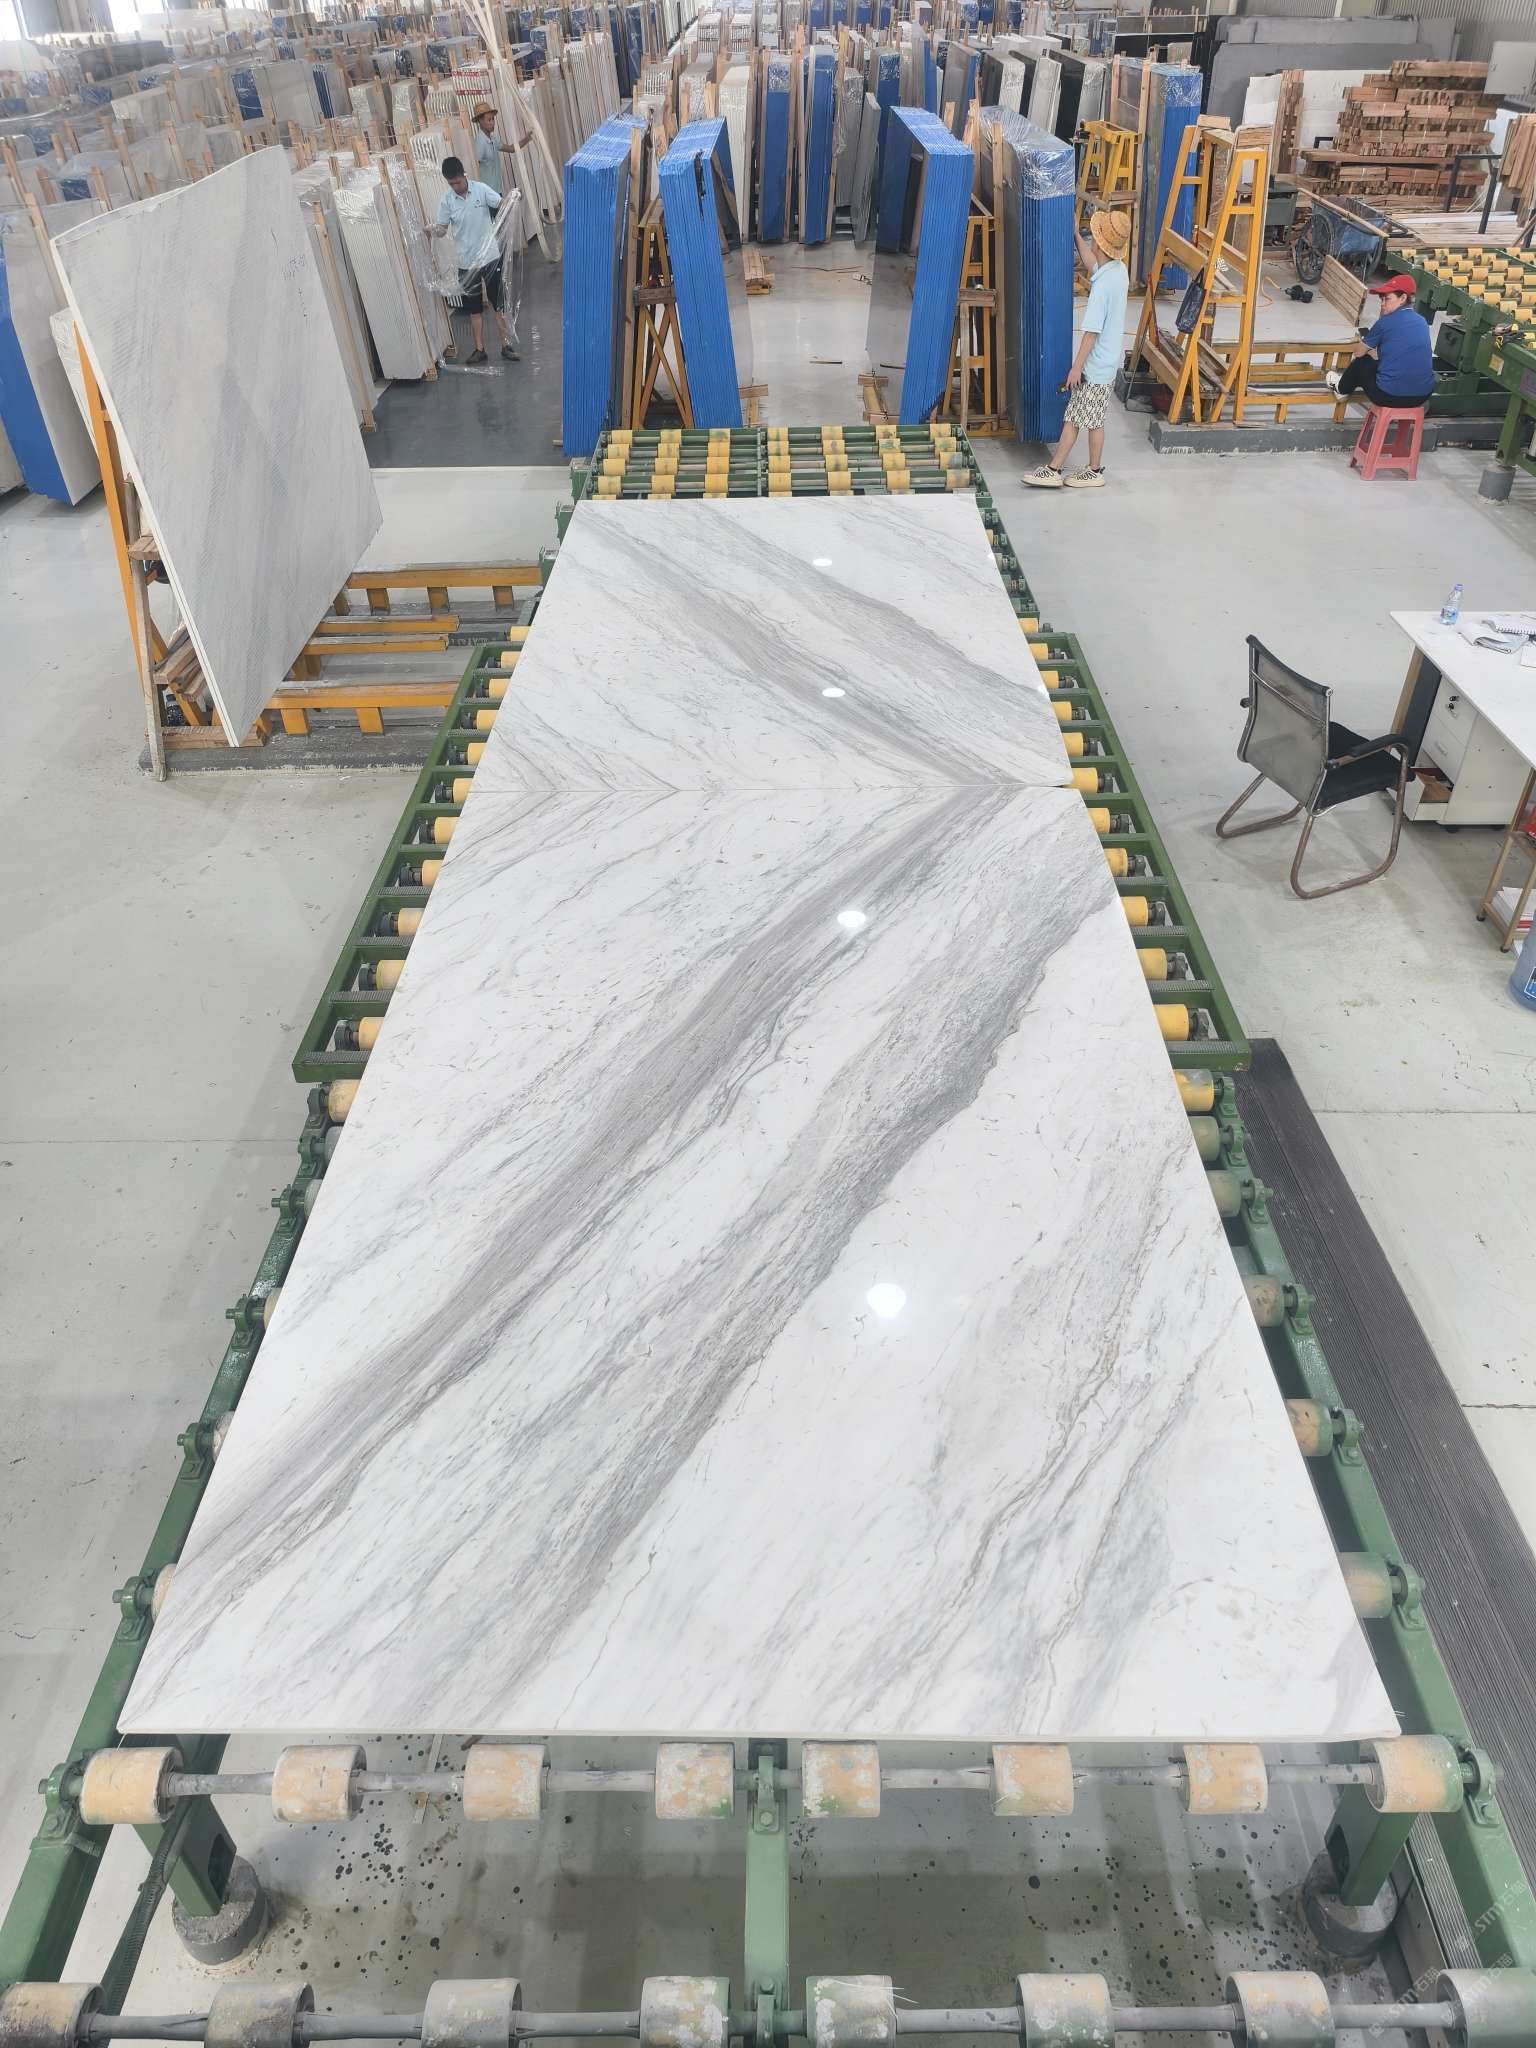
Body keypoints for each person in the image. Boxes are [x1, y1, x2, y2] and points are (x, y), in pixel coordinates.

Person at [1025, 206, 1130, 492]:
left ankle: (1056, 469)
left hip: (1095, 366)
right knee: (1092, 419)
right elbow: (1092, 263)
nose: (1092, 240)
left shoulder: (1102, 289)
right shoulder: (1118, 271)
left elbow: (1091, 333)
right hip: (1107, 363)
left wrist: (1076, 368)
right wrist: (1074, 234)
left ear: (1100, 244)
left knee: (1075, 417)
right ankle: (1090, 470)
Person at [432, 155, 517, 365]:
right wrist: (432, 230)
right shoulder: (446, 201)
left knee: (499, 305)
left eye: (458, 182)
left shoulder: (481, 190)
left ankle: (506, 345)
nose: (456, 187)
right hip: (466, 262)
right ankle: (480, 349)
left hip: (490, 257)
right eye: (451, 184)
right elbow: (442, 229)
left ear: (464, 175)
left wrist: (513, 197)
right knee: (474, 308)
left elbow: (501, 203)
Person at [1327, 274, 1434, 409]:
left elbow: (1358, 352)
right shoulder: (1422, 321)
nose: (1383, 304)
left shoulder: (1385, 322)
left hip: (1388, 396)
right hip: (1423, 396)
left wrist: (1368, 347)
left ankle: (1341, 389)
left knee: (1362, 361)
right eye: (1381, 299)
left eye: (1387, 299)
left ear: (1402, 298)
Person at [470, 101, 504, 197]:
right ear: (480, 121)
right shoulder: (480, 142)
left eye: (493, 119)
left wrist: (528, 138)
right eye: (489, 120)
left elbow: (512, 149)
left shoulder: (492, 139)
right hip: (487, 193)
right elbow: (474, 167)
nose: (492, 123)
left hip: (496, 190)